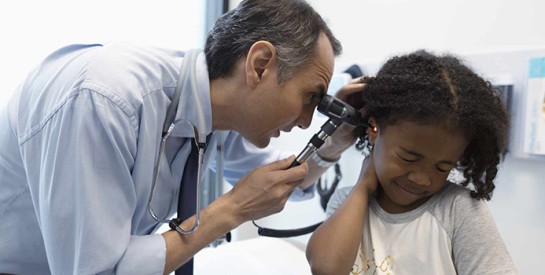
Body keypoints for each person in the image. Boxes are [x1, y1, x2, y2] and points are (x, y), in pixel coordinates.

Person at [0, 0, 366, 274]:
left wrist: (335, 141)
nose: (305, 122)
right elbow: (96, 270)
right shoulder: (105, 99)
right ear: (259, 65)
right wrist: (231, 209)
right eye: (310, 98)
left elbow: (278, 179)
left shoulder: (213, 109)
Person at [306, 51, 518, 274]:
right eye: (407, 158)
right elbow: (326, 269)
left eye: (442, 167)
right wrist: (363, 186)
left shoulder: (458, 210)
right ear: (374, 129)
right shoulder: (345, 203)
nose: (422, 178)